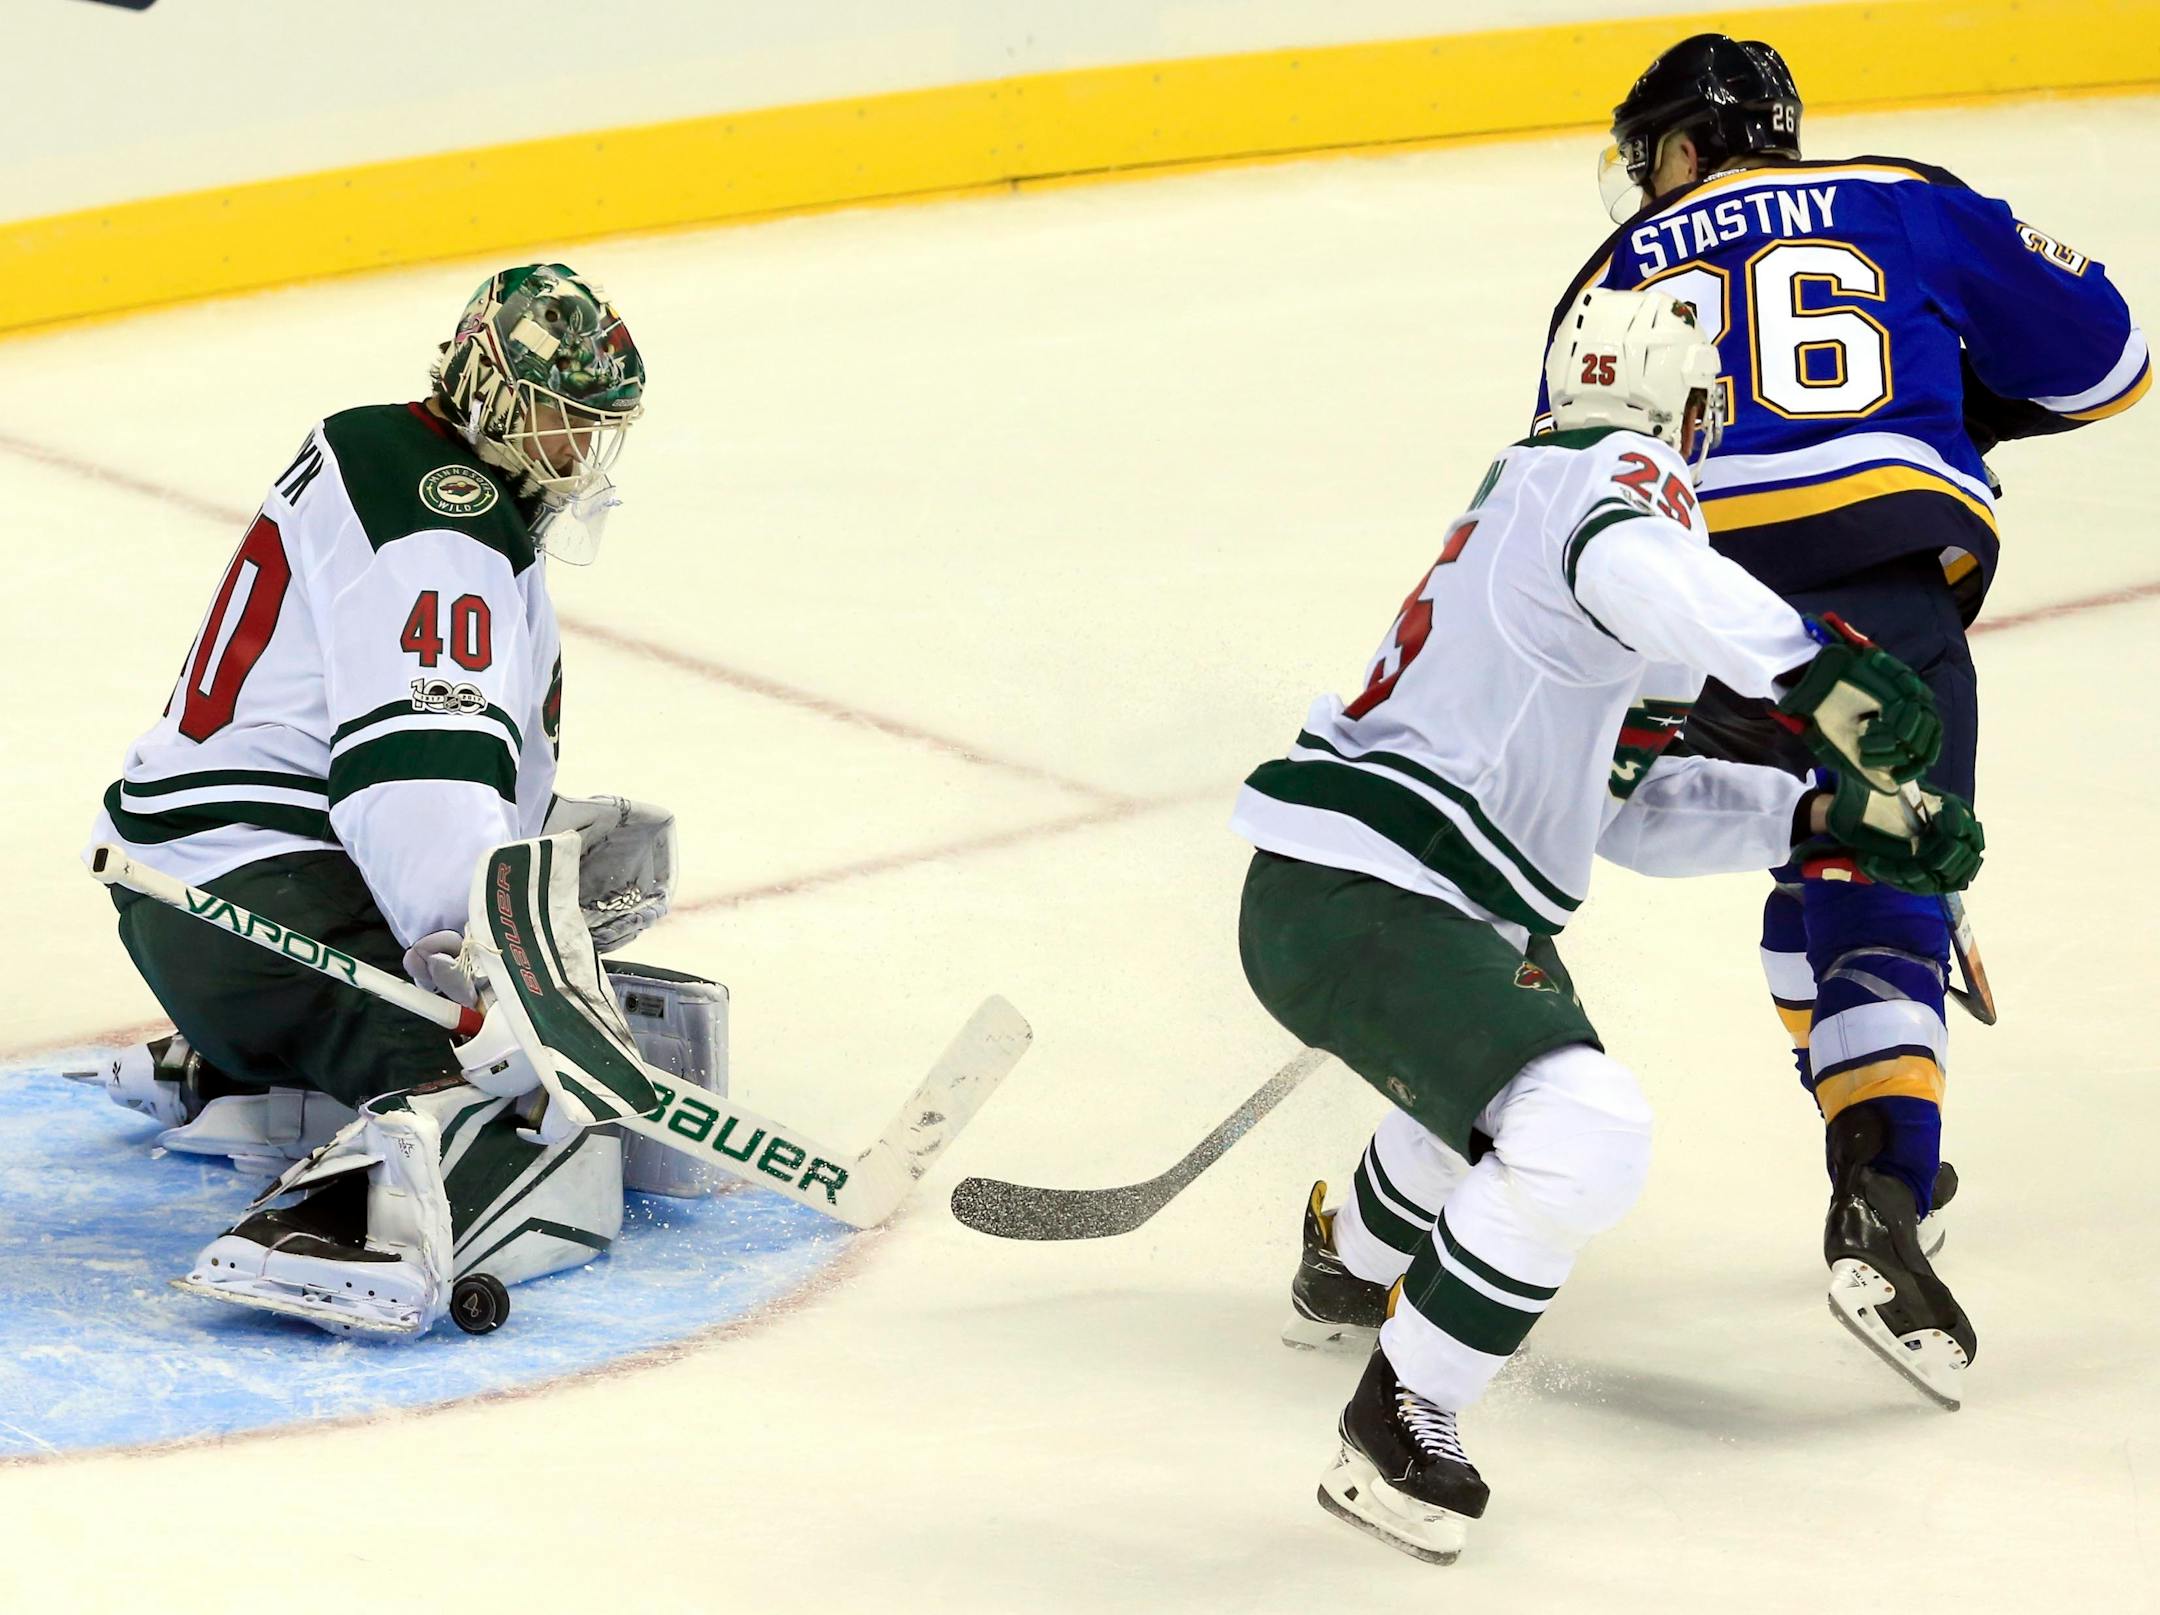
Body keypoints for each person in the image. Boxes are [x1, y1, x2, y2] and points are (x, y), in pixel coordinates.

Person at [1233, 288, 1981, 1564]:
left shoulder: (1549, 522)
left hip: (1383, 891)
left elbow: (1630, 815)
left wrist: (1814, 822)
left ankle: (1348, 1263)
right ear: (1682, 409)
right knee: (1582, 1127)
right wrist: (1823, 679)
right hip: (1375, 887)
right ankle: (1399, 1417)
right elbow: (1639, 559)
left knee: (1485, 1115)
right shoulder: (1606, 477)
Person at [1531, 34, 2146, 1403]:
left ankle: (1407, 1215)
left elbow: (1565, 498)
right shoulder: (1903, 194)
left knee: (1804, 864)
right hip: (1880, 588)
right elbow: (2111, 358)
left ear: (1682, 147)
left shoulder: (1610, 275)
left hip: (1687, 601)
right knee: (1877, 872)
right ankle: (1881, 1189)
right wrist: (1937, 407)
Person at [81, 263, 688, 1337]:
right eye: (560, 421)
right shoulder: (444, 514)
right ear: (497, 398)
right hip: (260, 905)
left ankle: (236, 1068)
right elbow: (414, 779)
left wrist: (532, 845)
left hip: (208, 902)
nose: (577, 452)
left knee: (467, 1006)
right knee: (509, 1091)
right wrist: (499, 962)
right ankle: (333, 1219)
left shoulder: (390, 450)